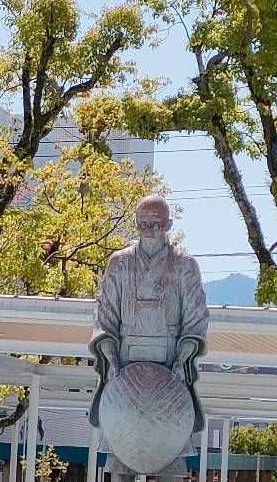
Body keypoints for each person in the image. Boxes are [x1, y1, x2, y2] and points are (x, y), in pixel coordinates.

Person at [89, 195, 209, 482]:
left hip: (170, 369)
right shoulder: (119, 263)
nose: (150, 229)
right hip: (125, 371)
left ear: (168, 224)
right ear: (136, 224)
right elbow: (104, 314)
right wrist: (111, 360)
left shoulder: (184, 265)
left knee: (170, 454)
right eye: (143, 223)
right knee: (121, 459)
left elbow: (196, 316)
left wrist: (182, 362)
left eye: (156, 223)